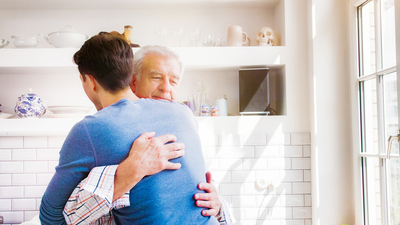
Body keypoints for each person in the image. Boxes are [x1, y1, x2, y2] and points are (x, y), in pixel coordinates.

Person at [39, 32, 220, 225]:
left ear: (90, 81)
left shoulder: (88, 130)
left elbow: (50, 216)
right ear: (129, 76)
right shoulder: (184, 113)